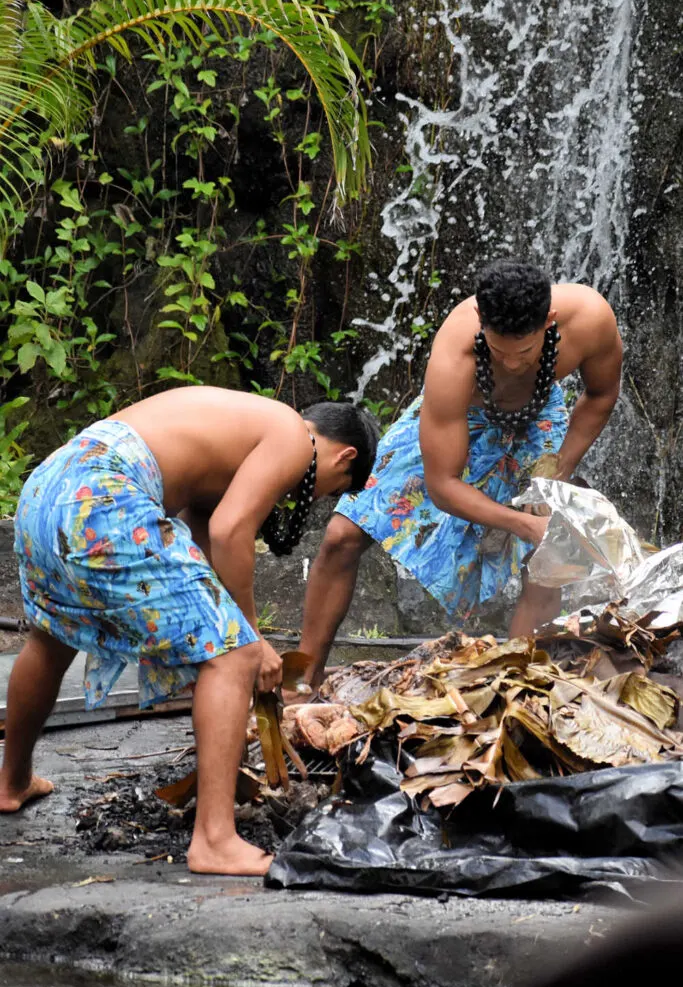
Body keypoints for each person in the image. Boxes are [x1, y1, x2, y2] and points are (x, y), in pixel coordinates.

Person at [0, 387, 379, 876]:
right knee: (234, 653)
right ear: (343, 456)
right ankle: (215, 841)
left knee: (53, 638)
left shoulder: (238, 436)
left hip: (49, 489)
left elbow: (203, 540)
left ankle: (12, 783)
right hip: (102, 495)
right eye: (335, 489)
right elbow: (230, 531)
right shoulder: (291, 435)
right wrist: (249, 638)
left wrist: (234, 626)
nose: (316, 498)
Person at [297, 260, 623, 694]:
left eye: (523, 353)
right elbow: (443, 484)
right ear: (481, 324)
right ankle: (301, 680)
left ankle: (517, 693)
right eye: (497, 350)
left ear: (549, 323)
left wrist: (560, 468)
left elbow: (601, 394)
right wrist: (523, 523)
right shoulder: (455, 351)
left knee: (546, 560)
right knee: (341, 534)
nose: (509, 364)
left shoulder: (591, 320)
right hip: (458, 418)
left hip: (536, 425)